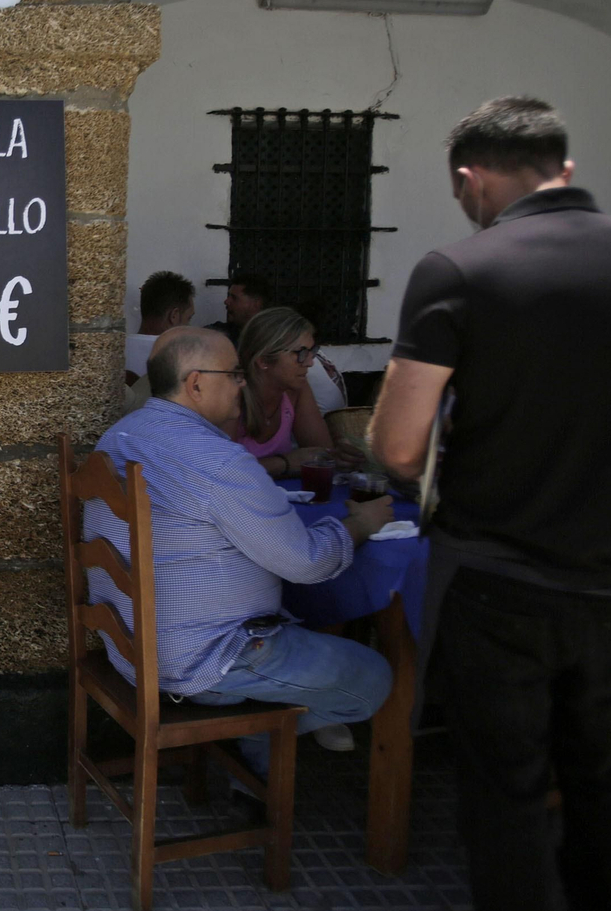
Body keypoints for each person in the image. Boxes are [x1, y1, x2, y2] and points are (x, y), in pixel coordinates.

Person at [368, 96, 611, 911]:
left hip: (498, 581)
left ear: (469, 179)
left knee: (508, 798)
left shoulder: (460, 270)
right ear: (566, 169)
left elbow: (399, 447)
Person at [84, 327, 394, 783]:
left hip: (131, 648)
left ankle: (256, 743)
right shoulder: (220, 461)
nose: (242, 384)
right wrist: (360, 526)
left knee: (296, 615)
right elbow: (306, 563)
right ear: (195, 384)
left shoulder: (119, 436)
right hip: (203, 659)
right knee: (374, 677)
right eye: (233, 374)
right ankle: (259, 737)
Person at [233, 307, 335, 478]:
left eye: (312, 351)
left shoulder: (296, 389)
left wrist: (341, 456)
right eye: (301, 353)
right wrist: (285, 462)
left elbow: (321, 455)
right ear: (264, 360)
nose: (310, 362)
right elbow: (219, 473)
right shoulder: (232, 397)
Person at [125, 271, 195, 385]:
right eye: (189, 318)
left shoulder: (115, 349)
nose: (189, 327)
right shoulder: (185, 357)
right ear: (174, 316)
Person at [205, 272, 270, 345]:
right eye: (229, 296)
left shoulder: (273, 339)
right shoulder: (221, 333)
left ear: (256, 304)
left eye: (234, 298)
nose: (226, 301)